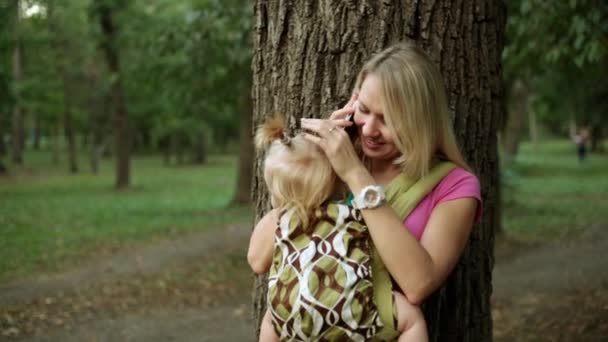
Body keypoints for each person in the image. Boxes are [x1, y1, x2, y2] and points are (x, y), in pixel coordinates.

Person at [297, 40, 481, 321]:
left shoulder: (456, 186)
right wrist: (319, 166)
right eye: (365, 110)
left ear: (421, 120)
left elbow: (418, 284)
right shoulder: (335, 159)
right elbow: (270, 248)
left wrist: (355, 175)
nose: (369, 129)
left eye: (388, 119)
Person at [248, 115, 428, 341]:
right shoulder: (352, 211)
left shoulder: (278, 221)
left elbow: (256, 262)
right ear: (335, 181)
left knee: (270, 320)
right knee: (412, 320)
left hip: (294, 311)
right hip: (351, 308)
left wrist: (276, 213)